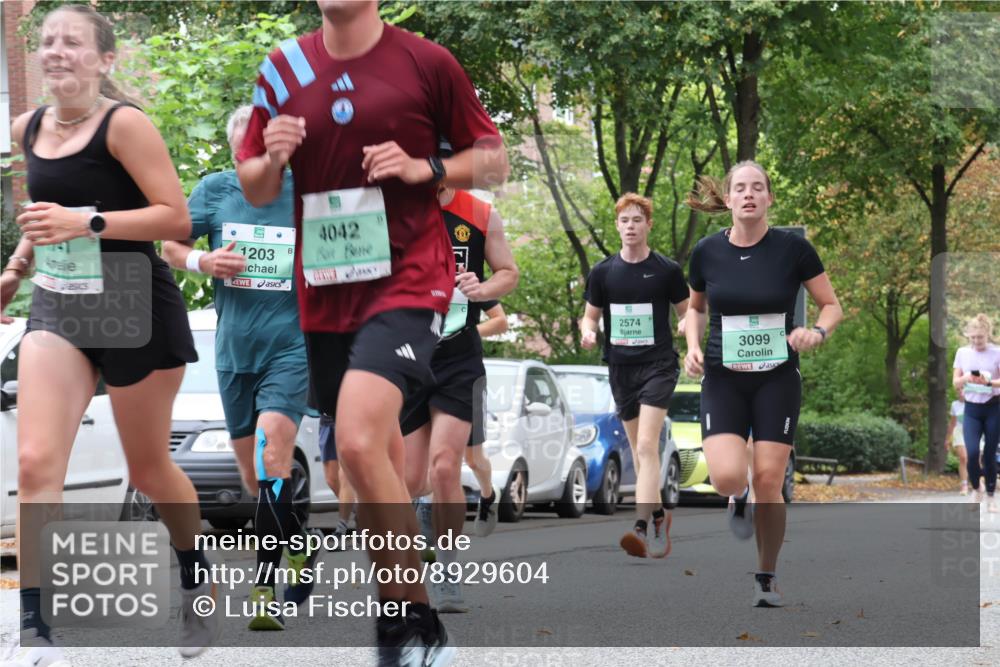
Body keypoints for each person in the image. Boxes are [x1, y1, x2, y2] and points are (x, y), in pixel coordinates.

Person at [234, 1, 508, 663]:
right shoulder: (284, 65)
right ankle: (411, 612)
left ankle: (400, 625)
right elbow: (253, 183)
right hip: (326, 291)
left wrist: (428, 169)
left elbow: (493, 161)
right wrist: (271, 160)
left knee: (357, 438)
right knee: (365, 458)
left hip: (411, 279)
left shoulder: (425, 62)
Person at [1, 6, 218, 665]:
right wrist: (15, 267)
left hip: (130, 297)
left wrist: (85, 220)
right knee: (37, 462)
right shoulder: (25, 127)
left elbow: (173, 217)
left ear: (105, 59)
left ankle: (196, 583)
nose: (56, 51)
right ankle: (36, 632)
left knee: (150, 470)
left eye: (72, 42)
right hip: (60, 304)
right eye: (47, 42)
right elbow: (39, 219)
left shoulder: (126, 126)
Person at [161, 105, 321, 630]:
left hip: (292, 346)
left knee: (275, 454)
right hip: (233, 352)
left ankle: (264, 588)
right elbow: (170, 245)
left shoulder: (308, 193)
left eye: (268, 149)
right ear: (235, 153)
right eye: (249, 150)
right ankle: (300, 541)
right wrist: (202, 261)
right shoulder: (215, 191)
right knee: (257, 480)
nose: (260, 159)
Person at [685, 160, 843, 607]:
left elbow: (831, 305)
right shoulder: (707, 251)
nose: (749, 194)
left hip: (777, 378)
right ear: (729, 198)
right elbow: (694, 309)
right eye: (740, 187)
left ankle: (766, 576)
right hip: (723, 378)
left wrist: (818, 331)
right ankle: (738, 496)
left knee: (769, 480)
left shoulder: (793, 249)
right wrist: (693, 346)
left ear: (769, 197)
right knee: (727, 478)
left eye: (758, 187)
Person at [401, 177, 518, 613]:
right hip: (408, 352)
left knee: (446, 463)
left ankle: (447, 569)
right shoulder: (392, 207)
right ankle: (419, 538)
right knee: (414, 479)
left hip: (458, 355)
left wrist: (482, 290)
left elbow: (508, 273)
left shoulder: (479, 213)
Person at [581, 193, 689, 559]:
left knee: (646, 446)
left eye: (637, 220)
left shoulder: (666, 270)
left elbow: (687, 312)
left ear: (648, 225)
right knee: (641, 454)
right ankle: (660, 516)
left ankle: (640, 528)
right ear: (617, 226)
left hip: (658, 364)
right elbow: (591, 315)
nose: (630, 226)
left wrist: (688, 329)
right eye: (624, 220)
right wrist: (588, 331)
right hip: (620, 367)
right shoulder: (603, 272)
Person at [952, 314, 1000, 512]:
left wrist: (988, 382)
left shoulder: (997, 353)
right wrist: (966, 378)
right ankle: (975, 489)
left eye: (980, 337)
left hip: (993, 407)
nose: (976, 341)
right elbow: (955, 382)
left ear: (987, 334)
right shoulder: (962, 352)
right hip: (971, 408)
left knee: (989, 453)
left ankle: (990, 495)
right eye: (972, 337)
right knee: (971, 454)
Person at [318, 413, 358, 545]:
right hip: (326, 419)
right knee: (332, 479)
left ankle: (341, 530)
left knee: (345, 473)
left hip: (348, 415)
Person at [946, 398, 970, 495]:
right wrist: (948, 439)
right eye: (958, 389)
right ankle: (964, 485)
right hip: (959, 432)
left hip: (974, 432)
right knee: (963, 457)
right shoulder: (955, 404)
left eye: (962, 388)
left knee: (975, 459)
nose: (960, 391)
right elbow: (952, 423)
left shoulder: (975, 400)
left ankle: (978, 483)